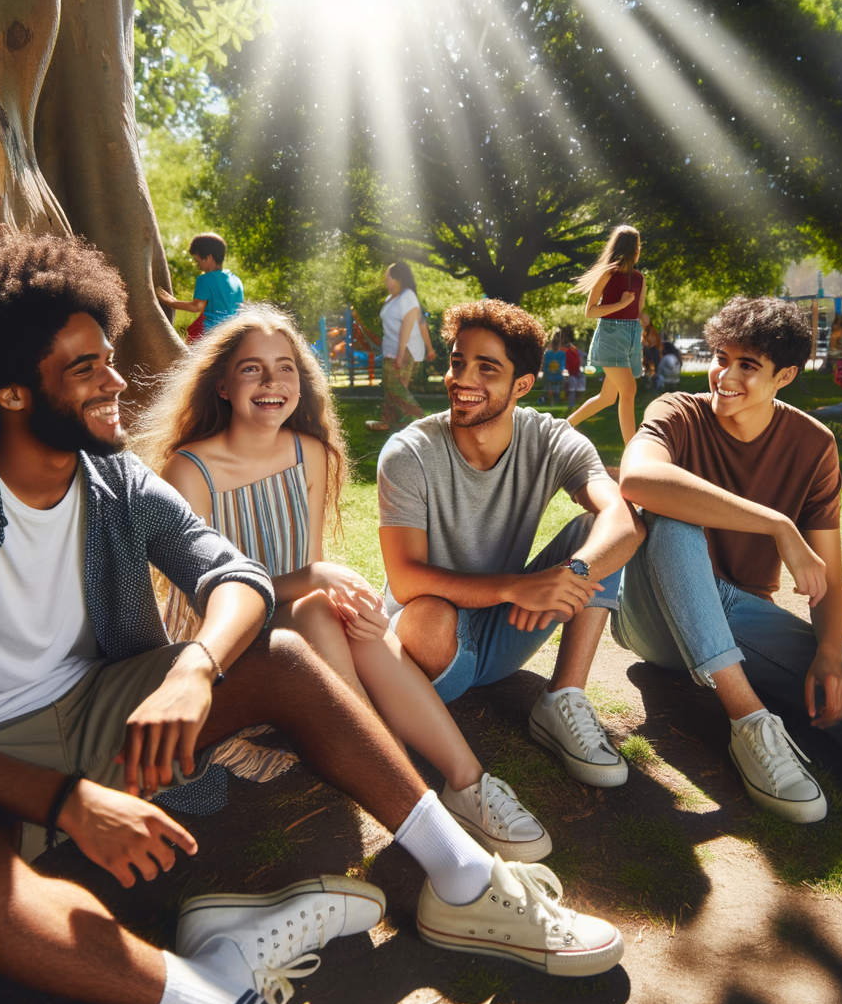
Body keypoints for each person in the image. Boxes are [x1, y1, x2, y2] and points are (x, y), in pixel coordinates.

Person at [0, 236, 623, 1004]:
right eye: (86, 368)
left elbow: (231, 575)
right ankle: (224, 999)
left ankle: (466, 881)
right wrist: (71, 802)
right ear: (10, 392)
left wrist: (195, 667)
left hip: (103, 714)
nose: (116, 380)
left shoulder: (117, 480)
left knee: (281, 654)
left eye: (109, 357)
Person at [139, 305, 554, 862]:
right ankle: (401, 780)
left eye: (285, 367)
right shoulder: (189, 469)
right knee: (316, 606)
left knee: (348, 615)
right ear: (221, 385)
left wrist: (332, 591)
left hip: (295, 618)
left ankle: (467, 783)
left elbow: (306, 564)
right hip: (220, 641)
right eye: (251, 369)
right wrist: (316, 581)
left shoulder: (309, 452)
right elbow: (201, 596)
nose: (271, 382)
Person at [614, 297, 842, 823]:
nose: (724, 375)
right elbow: (637, 480)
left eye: (747, 365)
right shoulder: (676, 412)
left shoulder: (813, 444)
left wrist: (827, 654)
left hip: (737, 614)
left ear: (785, 376)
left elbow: (832, 580)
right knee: (675, 516)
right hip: (653, 610)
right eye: (720, 357)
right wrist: (777, 523)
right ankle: (750, 721)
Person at [377, 299, 644, 790]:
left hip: (506, 633)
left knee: (596, 536)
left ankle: (563, 698)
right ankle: (420, 705)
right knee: (429, 612)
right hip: (428, 647)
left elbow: (623, 519)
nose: (462, 379)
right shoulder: (408, 452)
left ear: (522, 384)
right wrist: (513, 588)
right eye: (458, 362)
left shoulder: (552, 440)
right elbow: (406, 578)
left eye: (486, 368)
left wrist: (575, 574)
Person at [565, 226, 647, 444]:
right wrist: (619, 304)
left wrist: (641, 321)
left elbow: (637, 310)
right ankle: (632, 452)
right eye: (638, 246)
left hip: (630, 337)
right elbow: (590, 311)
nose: (639, 250)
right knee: (629, 390)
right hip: (610, 336)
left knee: (607, 398)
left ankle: (563, 428)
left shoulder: (640, 278)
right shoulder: (607, 274)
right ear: (631, 249)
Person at [367, 262, 437, 432]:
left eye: (388, 278)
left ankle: (420, 419)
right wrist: (430, 349)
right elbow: (421, 322)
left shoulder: (408, 296)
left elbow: (412, 324)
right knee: (392, 388)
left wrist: (403, 353)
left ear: (398, 279)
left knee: (395, 388)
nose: (386, 282)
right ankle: (390, 422)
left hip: (405, 350)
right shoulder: (391, 299)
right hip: (391, 349)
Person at [157, 233, 244, 341]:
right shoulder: (236, 279)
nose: (198, 266)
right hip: (233, 334)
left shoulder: (205, 279)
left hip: (212, 334)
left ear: (208, 257)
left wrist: (173, 303)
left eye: (198, 261)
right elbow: (240, 308)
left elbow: (196, 306)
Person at [560, 325, 586, 410]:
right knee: (572, 388)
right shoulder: (574, 351)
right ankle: (572, 402)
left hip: (573, 372)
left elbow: (570, 362)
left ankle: (571, 404)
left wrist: (566, 369)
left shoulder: (569, 352)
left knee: (571, 388)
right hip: (575, 371)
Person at [540, 330, 568, 406]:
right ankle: (552, 399)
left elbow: (562, 365)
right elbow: (561, 366)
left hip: (553, 376)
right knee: (552, 387)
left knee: (553, 386)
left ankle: (552, 399)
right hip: (553, 375)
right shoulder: (557, 353)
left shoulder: (551, 353)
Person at [641, 310, 663, 384]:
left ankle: (656, 380)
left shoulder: (651, 330)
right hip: (651, 350)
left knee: (656, 365)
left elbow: (651, 342)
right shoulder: (646, 331)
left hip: (653, 349)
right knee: (649, 364)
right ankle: (648, 378)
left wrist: (645, 338)